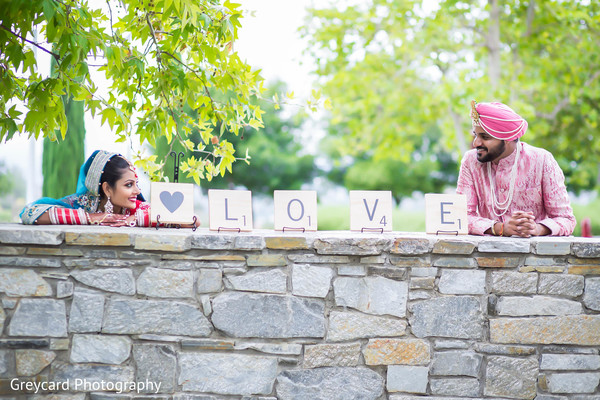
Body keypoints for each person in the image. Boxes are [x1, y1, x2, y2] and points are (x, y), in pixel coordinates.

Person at [456, 101, 576, 237]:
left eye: (485, 137)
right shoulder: (470, 161)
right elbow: (460, 216)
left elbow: (566, 219)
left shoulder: (542, 160)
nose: (476, 143)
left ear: (507, 138)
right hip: (486, 255)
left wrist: (536, 229)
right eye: (476, 135)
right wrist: (499, 228)